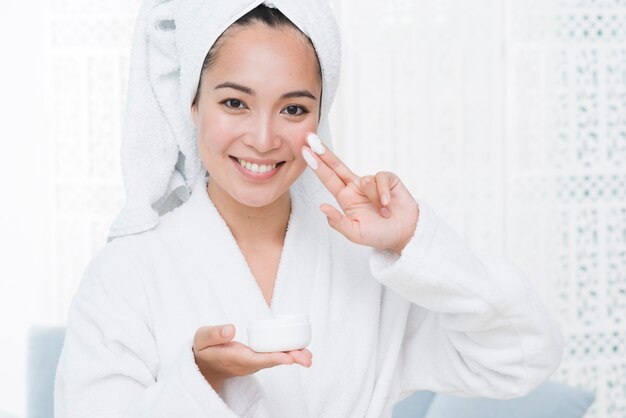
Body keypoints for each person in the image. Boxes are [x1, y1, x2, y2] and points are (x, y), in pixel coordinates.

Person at [54, 1, 563, 417]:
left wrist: (415, 246)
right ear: (193, 104)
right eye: (235, 103)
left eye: (294, 109)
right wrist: (203, 380)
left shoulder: (367, 262)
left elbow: (520, 358)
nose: (263, 138)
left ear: (320, 116)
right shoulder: (128, 272)